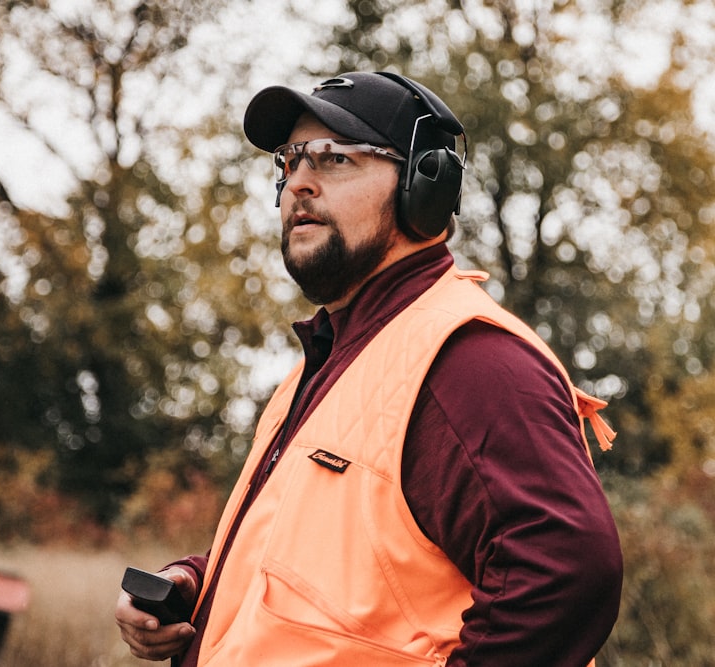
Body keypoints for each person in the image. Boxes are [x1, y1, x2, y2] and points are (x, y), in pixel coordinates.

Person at [115, 71, 623, 666]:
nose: (298, 183)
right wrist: (193, 584)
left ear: (423, 187)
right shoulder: (332, 364)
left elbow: (569, 572)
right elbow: (327, 568)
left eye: (333, 159)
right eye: (289, 161)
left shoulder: (468, 361)